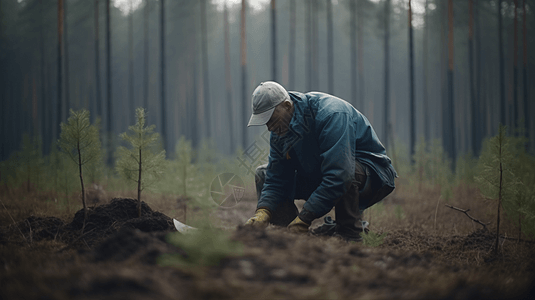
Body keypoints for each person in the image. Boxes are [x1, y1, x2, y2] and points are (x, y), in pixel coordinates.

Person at [244, 81, 397, 241]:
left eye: (271, 119)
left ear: (287, 106)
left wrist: (305, 217)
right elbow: (276, 178)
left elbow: (339, 174)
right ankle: (290, 235)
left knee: (346, 172)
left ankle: (349, 233)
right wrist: (263, 211)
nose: (269, 127)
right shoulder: (280, 130)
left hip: (373, 176)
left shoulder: (331, 113)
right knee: (264, 174)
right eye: (265, 122)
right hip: (323, 173)